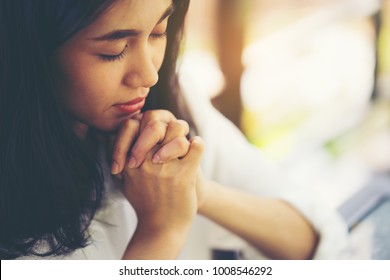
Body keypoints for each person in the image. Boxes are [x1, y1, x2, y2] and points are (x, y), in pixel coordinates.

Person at [0, 0, 348, 260]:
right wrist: (160, 232)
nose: (149, 75)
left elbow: (317, 245)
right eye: (113, 50)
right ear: (31, 51)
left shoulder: (175, 105)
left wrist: (199, 193)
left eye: (157, 33)